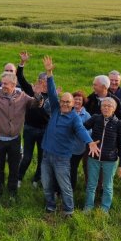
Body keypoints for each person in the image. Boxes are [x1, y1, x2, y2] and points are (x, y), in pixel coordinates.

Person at [40, 56, 96, 216]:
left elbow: (81, 131)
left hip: (62, 159)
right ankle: (50, 206)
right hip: (46, 155)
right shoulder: (56, 109)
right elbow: (51, 92)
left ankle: (69, 210)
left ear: (73, 104)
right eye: (62, 101)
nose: (64, 104)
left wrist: (90, 142)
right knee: (46, 183)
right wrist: (49, 73)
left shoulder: (74, 118)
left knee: (65, 186)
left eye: (67, 102)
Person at [0, 70, 44, 201]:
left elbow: (37, 104)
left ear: (13, 84)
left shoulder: (22, 96)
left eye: (6, 83)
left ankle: (12, 192)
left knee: (14, 169)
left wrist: (37, 94)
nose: (3, 85)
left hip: (15, 140)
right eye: (2, 83)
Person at [83, 97, 121, 213]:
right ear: (101, 107)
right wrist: (89, 141)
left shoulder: (119, 124)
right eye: (104, 105)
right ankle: (88, 207)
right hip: (93, 158)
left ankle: (105, 209)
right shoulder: (95, 118)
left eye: (109, 106)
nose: (106, 108)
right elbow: (81, 129)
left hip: (110, 160)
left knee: (107, 186)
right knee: (91, 184)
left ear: (114, 109)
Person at [16, 51, 50, 189]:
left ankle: (37, 179)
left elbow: (50, 114)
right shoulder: (31, 91)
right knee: (27, 157)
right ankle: (18, 178)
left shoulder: (52, 96)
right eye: (42, 81)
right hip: (29, 129)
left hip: (44, 131)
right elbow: (20, 77)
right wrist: (22, 63)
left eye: (47, 81)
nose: (44, 84)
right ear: (38, 81)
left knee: (42, 158)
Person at [69, 90, 91, 195]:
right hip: (66, 147)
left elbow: (89, 132)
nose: (77, 101)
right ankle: (59, 189)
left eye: (79, 99)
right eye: (75, 99)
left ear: (83, 102)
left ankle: (71, 189)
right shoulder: (68, 112)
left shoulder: (86, 115)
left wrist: (79, 131)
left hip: (78, 148)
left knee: (73, 169)